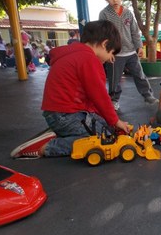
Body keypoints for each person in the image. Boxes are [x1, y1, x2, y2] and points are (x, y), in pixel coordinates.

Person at [10, 20, 131, 159]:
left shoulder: (74, 55)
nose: (112, 59)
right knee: (101, 137)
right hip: (66, 115)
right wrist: (116, 121)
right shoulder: (89, 59)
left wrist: (111, 122)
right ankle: (47, 147)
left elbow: (92, 100)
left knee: (107, 127)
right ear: (104, 44)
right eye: (112, 53)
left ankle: (63, 132)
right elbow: (100, 96)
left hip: (61, 114)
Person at [99, 0, 158, 111]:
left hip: (131, 52)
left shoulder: (128, 13)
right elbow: (103, 36)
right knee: (114, 79)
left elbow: (134, 31)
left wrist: (139, 46)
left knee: (139, 74)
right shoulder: (104, 14)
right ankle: (114, 100)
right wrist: (107, 53)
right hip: (115, 54)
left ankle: (147, 95)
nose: (115, 0)